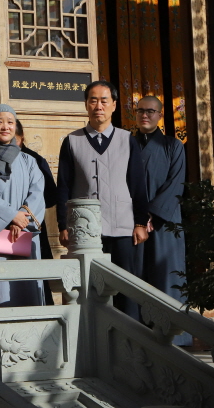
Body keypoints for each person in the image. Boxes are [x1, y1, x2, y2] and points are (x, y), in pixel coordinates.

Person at [55, 80, 150, 320]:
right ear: (86, 105)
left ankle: (129, 336)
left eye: (104, 100)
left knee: (125, 286)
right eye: (93, 100)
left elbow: (137, 184)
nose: (99, 106)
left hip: (122, 226)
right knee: (88, 287)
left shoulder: (127, 139)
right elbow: (63, 185)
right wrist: (63, 225)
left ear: (114, 105)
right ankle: (92, 336)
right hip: (84, 229)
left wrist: (140, 222)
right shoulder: (72, 141)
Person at [0, 104, 45, 308]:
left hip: (25, 233)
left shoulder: (29, 161)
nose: (5, 127)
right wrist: (10, 216)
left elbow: (37, 194)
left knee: (28, 288)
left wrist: (21, 219)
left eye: (10, 122)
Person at [135, 95, 192, 345]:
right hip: (133, 222)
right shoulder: (126, 144)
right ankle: (138, 332)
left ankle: (175, 335)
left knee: (167, 274)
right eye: (140, 111)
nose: (145, 115)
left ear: (159, 115)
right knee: (136, 274)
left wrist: (151, 213)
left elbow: (176, 184)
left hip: (164, 221)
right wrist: (137, 215)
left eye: (150, 111)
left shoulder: (173, 146)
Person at [15, 120, 58, 305]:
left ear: (21, 137)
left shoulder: (34, 160)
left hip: (31, 225)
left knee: (35, 275)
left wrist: (25, 210)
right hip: (4, 225)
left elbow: (51, 196)